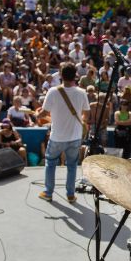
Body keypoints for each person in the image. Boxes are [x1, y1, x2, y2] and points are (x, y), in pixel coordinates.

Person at [38, 63, 89, 203]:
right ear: (75, 75)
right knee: (72, 165)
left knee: (50, 162)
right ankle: (70, 195)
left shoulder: (53, 91)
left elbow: (43, 113)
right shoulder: (82, 93)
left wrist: (38, 115)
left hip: (57, 136)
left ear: (60, 75)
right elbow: (86, 115)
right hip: (75, 136)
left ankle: (48, 192)